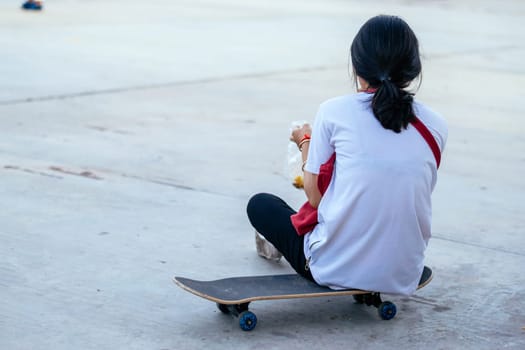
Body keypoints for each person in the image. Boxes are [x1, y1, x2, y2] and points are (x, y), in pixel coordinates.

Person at [246, 15, 448, 296]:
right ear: (414, 69)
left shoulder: (334, 111)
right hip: (405, 272)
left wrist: (305, 140)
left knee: (261, 205)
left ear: (356, 65)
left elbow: (315, 197)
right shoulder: (436, 124)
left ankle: (283, 246)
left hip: (332, 268)